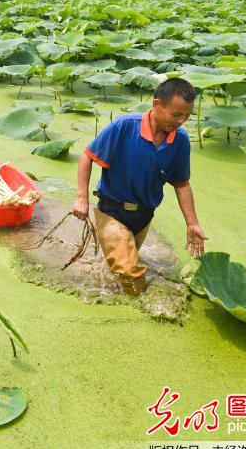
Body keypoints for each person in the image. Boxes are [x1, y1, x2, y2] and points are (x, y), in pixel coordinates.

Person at [72, 78, 206, 295]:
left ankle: (105, 281)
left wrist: (192, 223)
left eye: (187, 116)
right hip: (112, 211)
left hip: (144, 216)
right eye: (176, 115)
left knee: (122, 267)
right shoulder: (125, 126)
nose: (181, 121)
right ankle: (145, 307)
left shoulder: (180, 140)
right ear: (156, 105)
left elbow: (182, 184)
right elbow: (87, 156)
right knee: (132, 277)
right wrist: (82, 197)